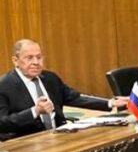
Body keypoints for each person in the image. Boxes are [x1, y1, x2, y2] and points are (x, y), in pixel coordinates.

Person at [0, 39, 128, 138]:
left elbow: (75, 98)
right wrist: (35, 111)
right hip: (26, 142)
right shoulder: (4, 86)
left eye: (39, 57)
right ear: (15, 61)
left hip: (58, 136)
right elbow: (2, 123)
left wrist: (111, 102)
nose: (36, 62)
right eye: (29, 58)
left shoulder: (50, 78)